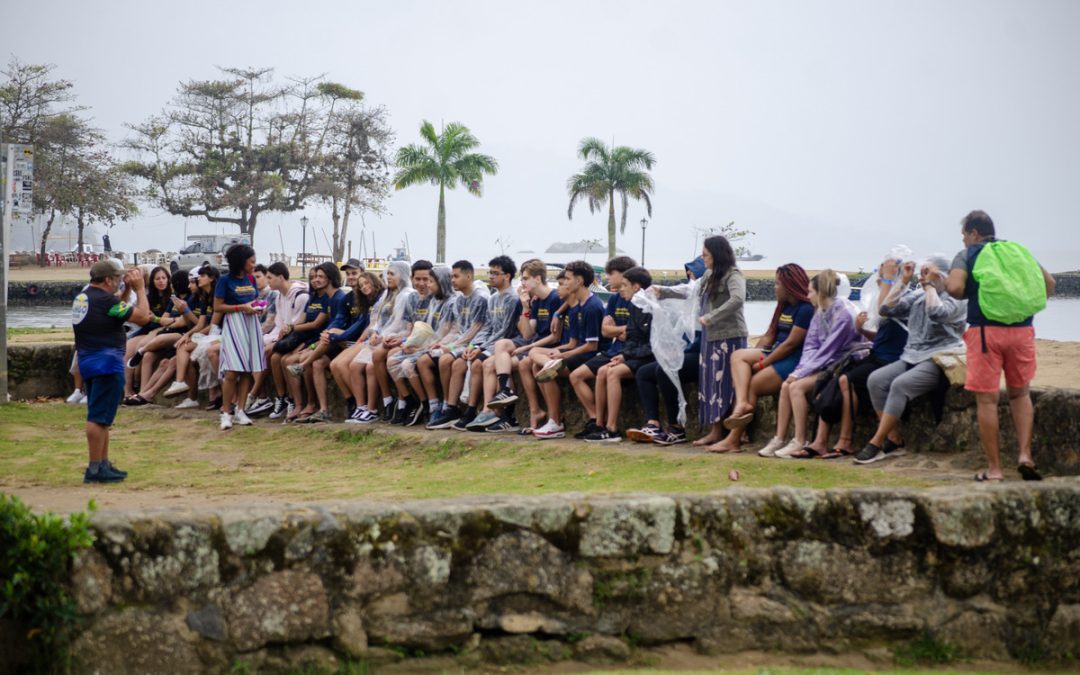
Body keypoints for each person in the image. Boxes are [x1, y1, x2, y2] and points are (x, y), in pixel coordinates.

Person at [946, 210, 1055, 481]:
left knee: (987, 400)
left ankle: (995, 469)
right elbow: (1049, 284)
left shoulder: (969, 254)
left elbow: (956, 289)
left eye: (964, 236)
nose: (963, 242)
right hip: (1022, 332)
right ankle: (1025, 455)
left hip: (985, 333)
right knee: (1020, 395)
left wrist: (956, 283)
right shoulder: (1018, 251)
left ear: (973, 233)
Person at [850, 254, 967, 464]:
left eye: (926, 273)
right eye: (921, 273)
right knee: (875, 380)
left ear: (941, 275)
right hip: (912, 356)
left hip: (939, 358)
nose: (922, 278)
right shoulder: (919, 296)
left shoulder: (957, 299)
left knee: (899, 385)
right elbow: (886, 309)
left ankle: (876, 441)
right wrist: (903, 281)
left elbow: (937, 313)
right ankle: (894, 438)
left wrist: (930, 287)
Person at [803, 255, 909, 458]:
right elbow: (879, 335)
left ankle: (855, 440)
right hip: (878, 353)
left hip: (890, 358)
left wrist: (887, 281)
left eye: (884, 274)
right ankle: (838, 440)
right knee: (840, 377)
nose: (879, 278)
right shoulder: (881, 298)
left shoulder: (899, 298)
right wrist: (862, 328)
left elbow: (886, 311)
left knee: (848, 379)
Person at [711, 264, 814, 455]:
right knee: (738, 356)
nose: (774, 287)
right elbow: (769, 336)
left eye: (777, 283)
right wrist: (756, 355)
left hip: (793, 360)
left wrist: (763, 363)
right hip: (775, 353)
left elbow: (790, 344)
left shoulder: (805, 309)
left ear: (789, 285)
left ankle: (733, 439)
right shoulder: (784, 307)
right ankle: (742, 403)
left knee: (753, 384)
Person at [765, 270, 865, 459]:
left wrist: (801, 374)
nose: (807, 295)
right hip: (827, 362)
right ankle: (780, 438)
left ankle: (800, 439)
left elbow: (829, 348)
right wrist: (800, 370)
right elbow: (811, 345)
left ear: (821, 293)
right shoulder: (820, 312)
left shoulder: (843, 312)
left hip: (845, 361)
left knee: (796, 387)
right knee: (787, 385)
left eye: (810, 292)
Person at [73, 259, 151, 483]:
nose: (119, 282)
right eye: (117, 279)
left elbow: (115, 307)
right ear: (108, 279)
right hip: (106, 363)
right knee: (98, 417)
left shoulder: (85, 296)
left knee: (102, 417)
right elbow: (143, 317)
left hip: (89, 361)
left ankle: (102, 464)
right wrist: (139, 289)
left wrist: (126, 289)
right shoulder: (106, 301)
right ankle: (95, 468)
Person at [625, 256, 705, 446]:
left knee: (665, 370)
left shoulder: (701, 302)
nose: (690, 278)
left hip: (701, 354)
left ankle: (675, 427)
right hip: (687, 352)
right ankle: (652, 423)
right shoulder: (689, 307)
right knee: (644, 373)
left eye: (693, 275)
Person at [530, 261, 609, 440]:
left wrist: (562, 355)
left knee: (547, 370)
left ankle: (589, 420)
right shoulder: (576, 308)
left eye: (567, 279)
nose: (564, 283)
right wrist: (558, 352)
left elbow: (592, 346)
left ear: (579, 281)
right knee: (536, 356)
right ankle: (553, 419)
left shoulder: (592, 306)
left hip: (592, 355)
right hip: (579, 352)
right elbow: (572, 342)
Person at [484, 259, 564, 432]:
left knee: (524, 363)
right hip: (534, 344)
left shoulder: (555, 298)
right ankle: (508, 398)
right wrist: (525, 306)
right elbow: (528, 333)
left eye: (525, 278)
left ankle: (536, 413)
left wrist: (526, 348)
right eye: (522, 279)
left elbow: (554, 336)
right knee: (497, 353)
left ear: (537, 279)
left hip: (549, 346)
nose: (522, 283)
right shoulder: (534, 301)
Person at [564, 256, 638, 439]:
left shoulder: (637, 299)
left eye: (611, 275)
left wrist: (618, 330)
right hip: (613, 350)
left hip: (630, 351)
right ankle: (596, 421)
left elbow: (635, 332)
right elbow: (605, 331)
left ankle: (610, 427)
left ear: (624, 275)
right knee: (576, 376)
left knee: (605, 372)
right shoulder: (613, 300)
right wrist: (620, 331)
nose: (608, 279)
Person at [583, 266, 656, 442]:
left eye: (624, 285)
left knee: (613, 372)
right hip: (635, 354)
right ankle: (600, 425)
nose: (620, 289)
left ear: (636, 286)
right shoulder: (636, 306)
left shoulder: (650, 308)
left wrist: (627, 355)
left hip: (649, 357)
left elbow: (652, 344)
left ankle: (612, 428)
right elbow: (631, 337)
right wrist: (624, 355)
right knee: (602, 370)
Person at [457, 256, 523, 431]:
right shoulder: (493, 299)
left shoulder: (513, 298)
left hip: (509, 343)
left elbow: (507, 330)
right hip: (492, 342)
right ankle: (474, 409)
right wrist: (475, 345)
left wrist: (484, 348)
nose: (491, 276)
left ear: (507, 276)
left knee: (482, 362)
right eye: (490, 272)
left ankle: (492, 410)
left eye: (495, 273)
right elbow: (488, 328)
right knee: (475, 361)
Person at [346, 261, 416, 423]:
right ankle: (377, 404)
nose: (389, 277)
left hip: (396, 337)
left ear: (403, 275)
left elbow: (400, 323)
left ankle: (396, 402)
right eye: (388, 274)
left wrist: (382, 336)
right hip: (382, 336)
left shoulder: (406, 295)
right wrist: (376, 332)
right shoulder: (388, 294)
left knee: (373, 364)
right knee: (355, 365)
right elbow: (379, 320)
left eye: (393, 274)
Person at [424, 261, 489, 429]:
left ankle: (453, 407)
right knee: (445, 359)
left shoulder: (480, 299)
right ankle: (450, 407)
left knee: (448, 360)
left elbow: (475, 329)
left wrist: (451, 347)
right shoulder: (460, 300)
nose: (452, 280)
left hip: (477, 342)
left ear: (469, 276)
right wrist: (443, 343)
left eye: (456, 276)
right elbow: (459, 329)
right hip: (463, 343)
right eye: (451, 276)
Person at [214, 244, 266, 430]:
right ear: (241, 262)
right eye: (251, 261)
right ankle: (226, 412)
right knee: (231, 371)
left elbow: (255, 298)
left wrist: (258, 307)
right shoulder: (224, 280)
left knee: (247, 370)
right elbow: (218, 307)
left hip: (251, 323)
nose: (254, 265)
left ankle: (241, 410)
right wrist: (240, 308)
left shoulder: (250, 279)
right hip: (234, 324)